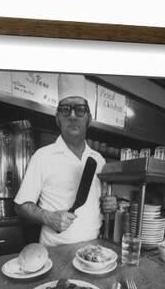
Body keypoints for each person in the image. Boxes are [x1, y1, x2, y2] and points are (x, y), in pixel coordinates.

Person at [14, 74, 117, 247]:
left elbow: (100, 204)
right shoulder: (42, 156)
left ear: (89, 118)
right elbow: (21, 206)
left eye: (80, 109)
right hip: (55, 252)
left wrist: (109, 205)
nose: (72, 116)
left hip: (93, 249)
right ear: (57, 118)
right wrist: (49, 217)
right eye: (65, 109)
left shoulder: (98, 160)